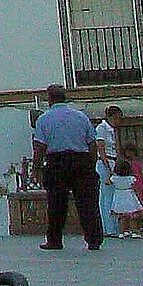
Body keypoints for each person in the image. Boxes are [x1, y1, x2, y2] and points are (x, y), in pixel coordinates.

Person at [33, 84, 104, 250]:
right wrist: (91, 165)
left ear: (49, 99)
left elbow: (40, 146)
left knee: (56, 203)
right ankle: (94, 240)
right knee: (88, 203)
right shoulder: (81, 117)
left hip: (57, 161)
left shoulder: (44, 119)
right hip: (82, 160)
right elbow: (91, 143)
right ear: (65, 98)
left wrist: (36, 168)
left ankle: (55, 240)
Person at [96, 106, 122, 236]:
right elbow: (101, 149)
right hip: (106, 162)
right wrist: (109, 169)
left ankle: (110, 227)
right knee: (108, 197)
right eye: (116, 118)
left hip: (112, 161)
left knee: (109, 196)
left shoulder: (110, 129)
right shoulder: (102, 128)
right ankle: (109, 228)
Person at [109, 158, 143, 238]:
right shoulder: (131, 178)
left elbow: (107, 182)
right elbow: (135, 188)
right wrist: (139, 197)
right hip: (129, 196)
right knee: (132, 215)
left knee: (122, 216)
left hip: (119, 197)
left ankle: (122, 232)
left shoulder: (114, 178)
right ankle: (134, 231)